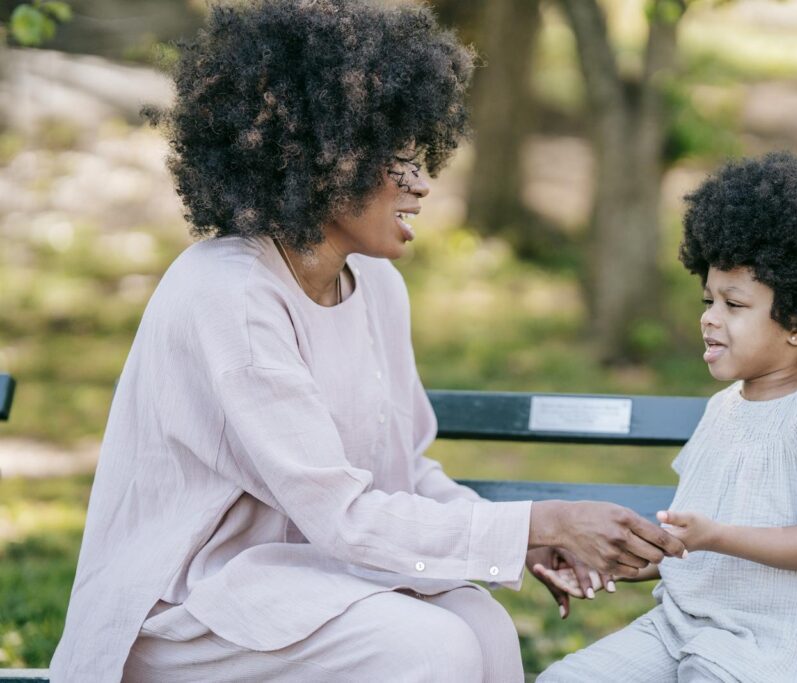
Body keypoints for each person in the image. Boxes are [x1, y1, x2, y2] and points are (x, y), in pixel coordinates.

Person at [49, 2, 686, 681]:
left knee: (484, 625)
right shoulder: (228, 294)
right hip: (186, 612)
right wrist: (544, 521)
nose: (423, 184)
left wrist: (516, 541)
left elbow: (402, 477)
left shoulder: (377, 286)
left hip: (301, 585)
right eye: (400, 159)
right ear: (325, 158)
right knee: (429, 647)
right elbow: (345, 516)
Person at [537, 152, 797, 682]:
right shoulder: (722, 411)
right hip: (687, 627)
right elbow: (696, 545)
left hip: (788, 645)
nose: (709, 318)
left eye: (734, 305)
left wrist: (714, 536)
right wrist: (618, 560)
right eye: (708, 299)